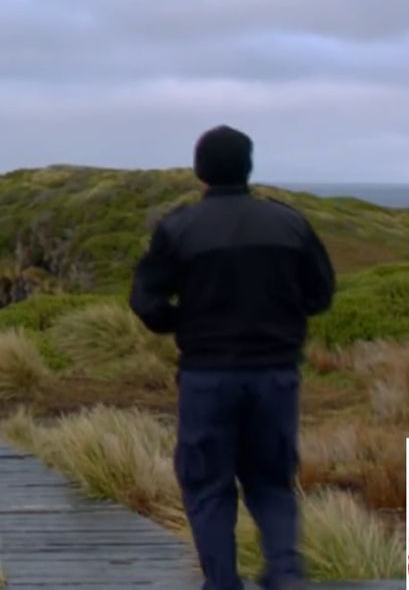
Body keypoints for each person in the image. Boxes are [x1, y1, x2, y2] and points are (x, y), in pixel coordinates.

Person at [129, 125, 336, 590]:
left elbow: (146, 300)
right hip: (276, 374)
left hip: (208, 375)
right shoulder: (289, 223)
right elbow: (321, 294)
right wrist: (282, 318)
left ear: (201, 170)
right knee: (271, 480)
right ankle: (285, 573)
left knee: (207, 483)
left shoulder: (179, 227)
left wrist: (181, 324)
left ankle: (222, 581)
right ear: (248, 166)